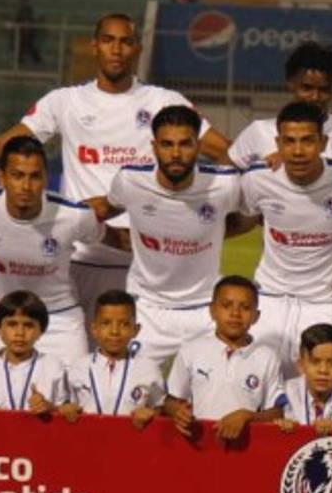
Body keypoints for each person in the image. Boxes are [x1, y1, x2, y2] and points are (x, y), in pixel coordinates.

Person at [0, 13, 230, 313]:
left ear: (137, 48)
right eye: (108, 40)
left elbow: (223, 151)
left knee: (136, 355)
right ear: (94, 46)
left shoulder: (163, 101)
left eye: (125, 42)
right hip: (79, 255)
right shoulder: (65, 102)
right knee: (73, 355)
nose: (117, 49)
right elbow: (0, 146)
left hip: (143, 262)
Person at [89, 105, 246, 370]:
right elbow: (104, 208)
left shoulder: (225, 185)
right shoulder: (130, 181)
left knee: (219, 393)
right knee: (127, 394)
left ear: (198, 146)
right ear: (153, 146)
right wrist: (51, 215)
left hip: (206, 309)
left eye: (185, 144)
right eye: (167, 144)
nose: (175, 154)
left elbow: (247, 218)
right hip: (148, 309)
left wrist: (213, 230)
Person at [240, 102, 332, 376]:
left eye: (308, 141)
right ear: (278, 143)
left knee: (325, 390)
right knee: (257, 386)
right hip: (270, 299)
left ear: (323, 142)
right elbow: (239, 221)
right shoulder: (258, 180)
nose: (298, 151)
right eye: (290, 141)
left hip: (323, 304)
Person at [0, 136, 103, 364]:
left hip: (58, 317)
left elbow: (103, 236)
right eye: (17, 175)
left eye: (35, 177)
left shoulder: (75, 216)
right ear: (1, 177)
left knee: (75, 393)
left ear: (45, 178)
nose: (25, 186)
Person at [227, 42, 332, 169]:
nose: (315, 97)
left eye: (324, 89)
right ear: (290, 83)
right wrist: (261, 173)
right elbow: (223, 184)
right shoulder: (259, 131)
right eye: (306, 88)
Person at [163, 276, 288, 442]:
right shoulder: (191, 350)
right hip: (199, 442)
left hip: (247, 445)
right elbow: (171, 400)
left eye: (245, 307)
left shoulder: (267, 357)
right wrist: (178, 412)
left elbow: (277, 412)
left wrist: (248, 416)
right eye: (226, 305)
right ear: (212, 310)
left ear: (256, 316)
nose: (235, 314)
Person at [62, 291, 164, 428]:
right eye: (106, 323)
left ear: (136, 329)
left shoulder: (149, 369)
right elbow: (66, 407)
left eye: (124, 324)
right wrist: (65, 410)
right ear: (94, 329)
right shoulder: (78, 367)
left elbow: (160, 410)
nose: (114, 331)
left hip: (132, 444)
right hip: (87, 443)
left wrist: (152, 414)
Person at [0, 291, 68, 416]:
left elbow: (67, 411)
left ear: (41, 330)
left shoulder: (53, 366)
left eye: (28, 325)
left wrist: (51, 408)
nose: (20, 333)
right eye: (12, 324)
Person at [14, 0, 42, 65]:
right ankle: (21, 60)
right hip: (23, 30)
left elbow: (29, 19)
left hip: (29, 30)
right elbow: (18, 19)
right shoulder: (23, 9)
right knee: (23, 45)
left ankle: (36, 59)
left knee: (28, 45)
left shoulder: (28, 9)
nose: (23, 1)